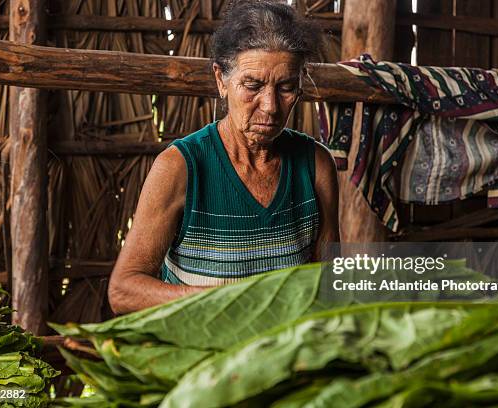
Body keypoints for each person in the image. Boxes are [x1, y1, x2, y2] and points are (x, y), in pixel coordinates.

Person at [108, 0, 340, 315]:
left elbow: (328, 281)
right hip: (200, 353)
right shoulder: (181, 167)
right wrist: (224, 301)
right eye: (253, 85)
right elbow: (123, 291)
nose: (271, 106)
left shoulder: (316, 166)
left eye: (286, 87)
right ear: (221, 80)